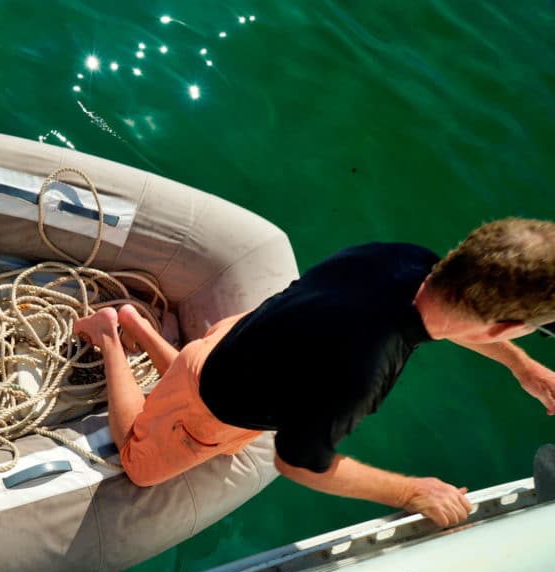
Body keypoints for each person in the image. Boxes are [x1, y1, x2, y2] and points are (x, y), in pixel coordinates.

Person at [73, 217, 555, 528]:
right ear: (507, 326)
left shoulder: (406, 258)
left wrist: (524, 368)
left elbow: (455, 319)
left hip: (242, 338)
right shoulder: (368, 367)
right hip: (211, 400)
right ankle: (113, 331)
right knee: (139, 465)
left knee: (191, 374)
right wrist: (411, 491)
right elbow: (298, 461)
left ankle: (138, 325)